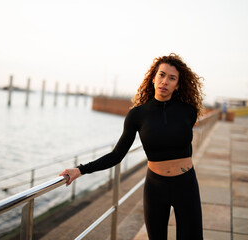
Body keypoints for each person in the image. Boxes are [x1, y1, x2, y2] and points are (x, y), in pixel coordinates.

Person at [59, 53, 204, 239]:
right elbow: (117, 155)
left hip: (185, 185)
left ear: (178, 85)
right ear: (153, 78)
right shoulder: (138, 115)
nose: (165, 81)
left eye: (172, 78)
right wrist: (80, 170)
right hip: (155, 188)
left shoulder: (188, 112)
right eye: (161, 75)